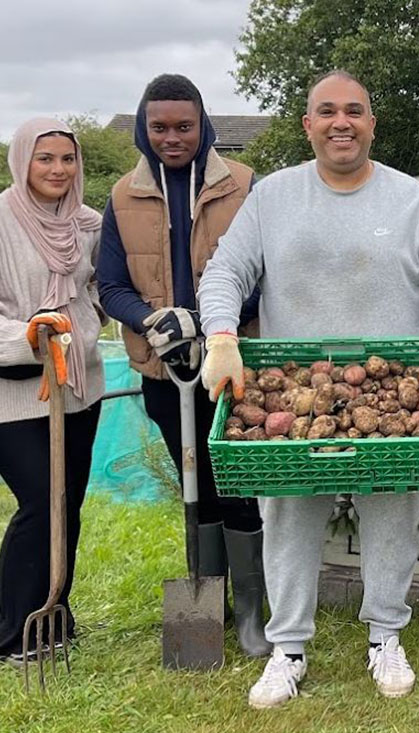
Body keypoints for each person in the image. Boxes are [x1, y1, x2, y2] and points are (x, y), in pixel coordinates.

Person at [197, 69, 419, 708]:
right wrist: (220, 333)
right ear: (307, 125)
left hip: (390, 395)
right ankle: (288, 647)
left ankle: (385, 634)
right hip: (294, 390)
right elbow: (224, 271)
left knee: (393, 514)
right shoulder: (273, 197)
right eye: (326, 111)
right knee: (289, 516)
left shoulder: (411, 199)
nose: (341, 122)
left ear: (371, 123)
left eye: (354, 111)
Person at [96, 74, 269, 657]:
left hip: (229, 366)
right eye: (160, 127)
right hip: (163, 369)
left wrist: (208, 321)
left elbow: (263, 273)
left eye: (184, 126)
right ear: (145, 129)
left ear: (204, 125)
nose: (173, 138)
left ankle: (250, 610)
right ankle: (207, 601)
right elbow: (111, 286)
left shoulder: (242, 185)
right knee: (194, 486)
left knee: (238, 483)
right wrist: (154, 323)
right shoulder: (122, 196)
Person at [0, 118, 104, 664]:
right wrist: (30, 334)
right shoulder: (0, 219)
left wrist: (88, 322)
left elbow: (95, 286)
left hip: (78, 386)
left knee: (69, 503)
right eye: (46, 159)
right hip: (15, 391)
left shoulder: (89, 223)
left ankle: (55, 616)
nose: (58, 170)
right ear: (23, 161)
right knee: (41, 500)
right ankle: (13, 629)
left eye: (67, 159)